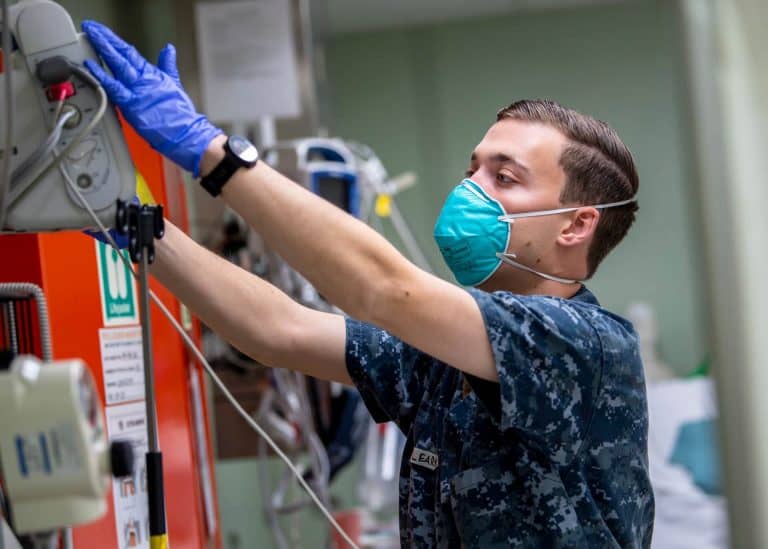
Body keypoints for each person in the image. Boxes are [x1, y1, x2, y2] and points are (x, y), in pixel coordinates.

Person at [81, 20, 654, 548]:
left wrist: (212, 153)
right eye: (472, 170)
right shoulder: (450, 361)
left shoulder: (586, 346)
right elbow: (278, 330)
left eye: (504, 177)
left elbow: (382, 288)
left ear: (576, 225)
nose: (470, 190)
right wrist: (136, 224)